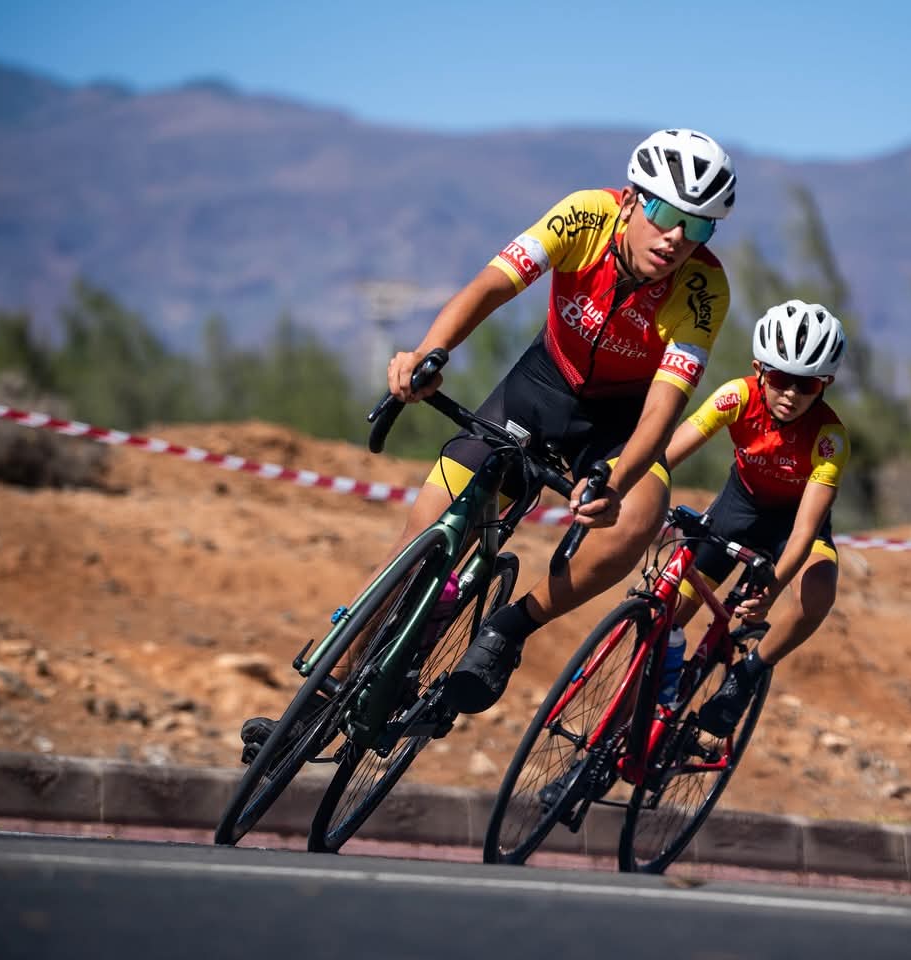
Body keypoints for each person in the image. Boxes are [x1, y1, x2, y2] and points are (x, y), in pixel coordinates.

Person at [240, 128, 736, 756]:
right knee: (420, 538)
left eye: (700, 227)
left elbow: (663, 410)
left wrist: (615, 480)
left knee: (640, 516)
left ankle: (510, 625)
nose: (676, 239)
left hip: (621, 421)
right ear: (634, 199)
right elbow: (490, 288)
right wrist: (430, 352)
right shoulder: (584, 214)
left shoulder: (703, 290)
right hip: (539, 386)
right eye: (666, 215)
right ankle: (320, 699)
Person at [664, 300, 850, 735]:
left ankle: (750, 671)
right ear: (760, 369)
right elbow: (668, 453)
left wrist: (771, 590)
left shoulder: (829, 436)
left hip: (792, 525)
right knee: (669, 617)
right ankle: (625, 728)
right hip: (739, 507)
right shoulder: (737, 395)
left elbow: (805, 530)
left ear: (825, 385)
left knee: (820, 588)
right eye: (782, 379)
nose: (790, 395)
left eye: (807, 386)